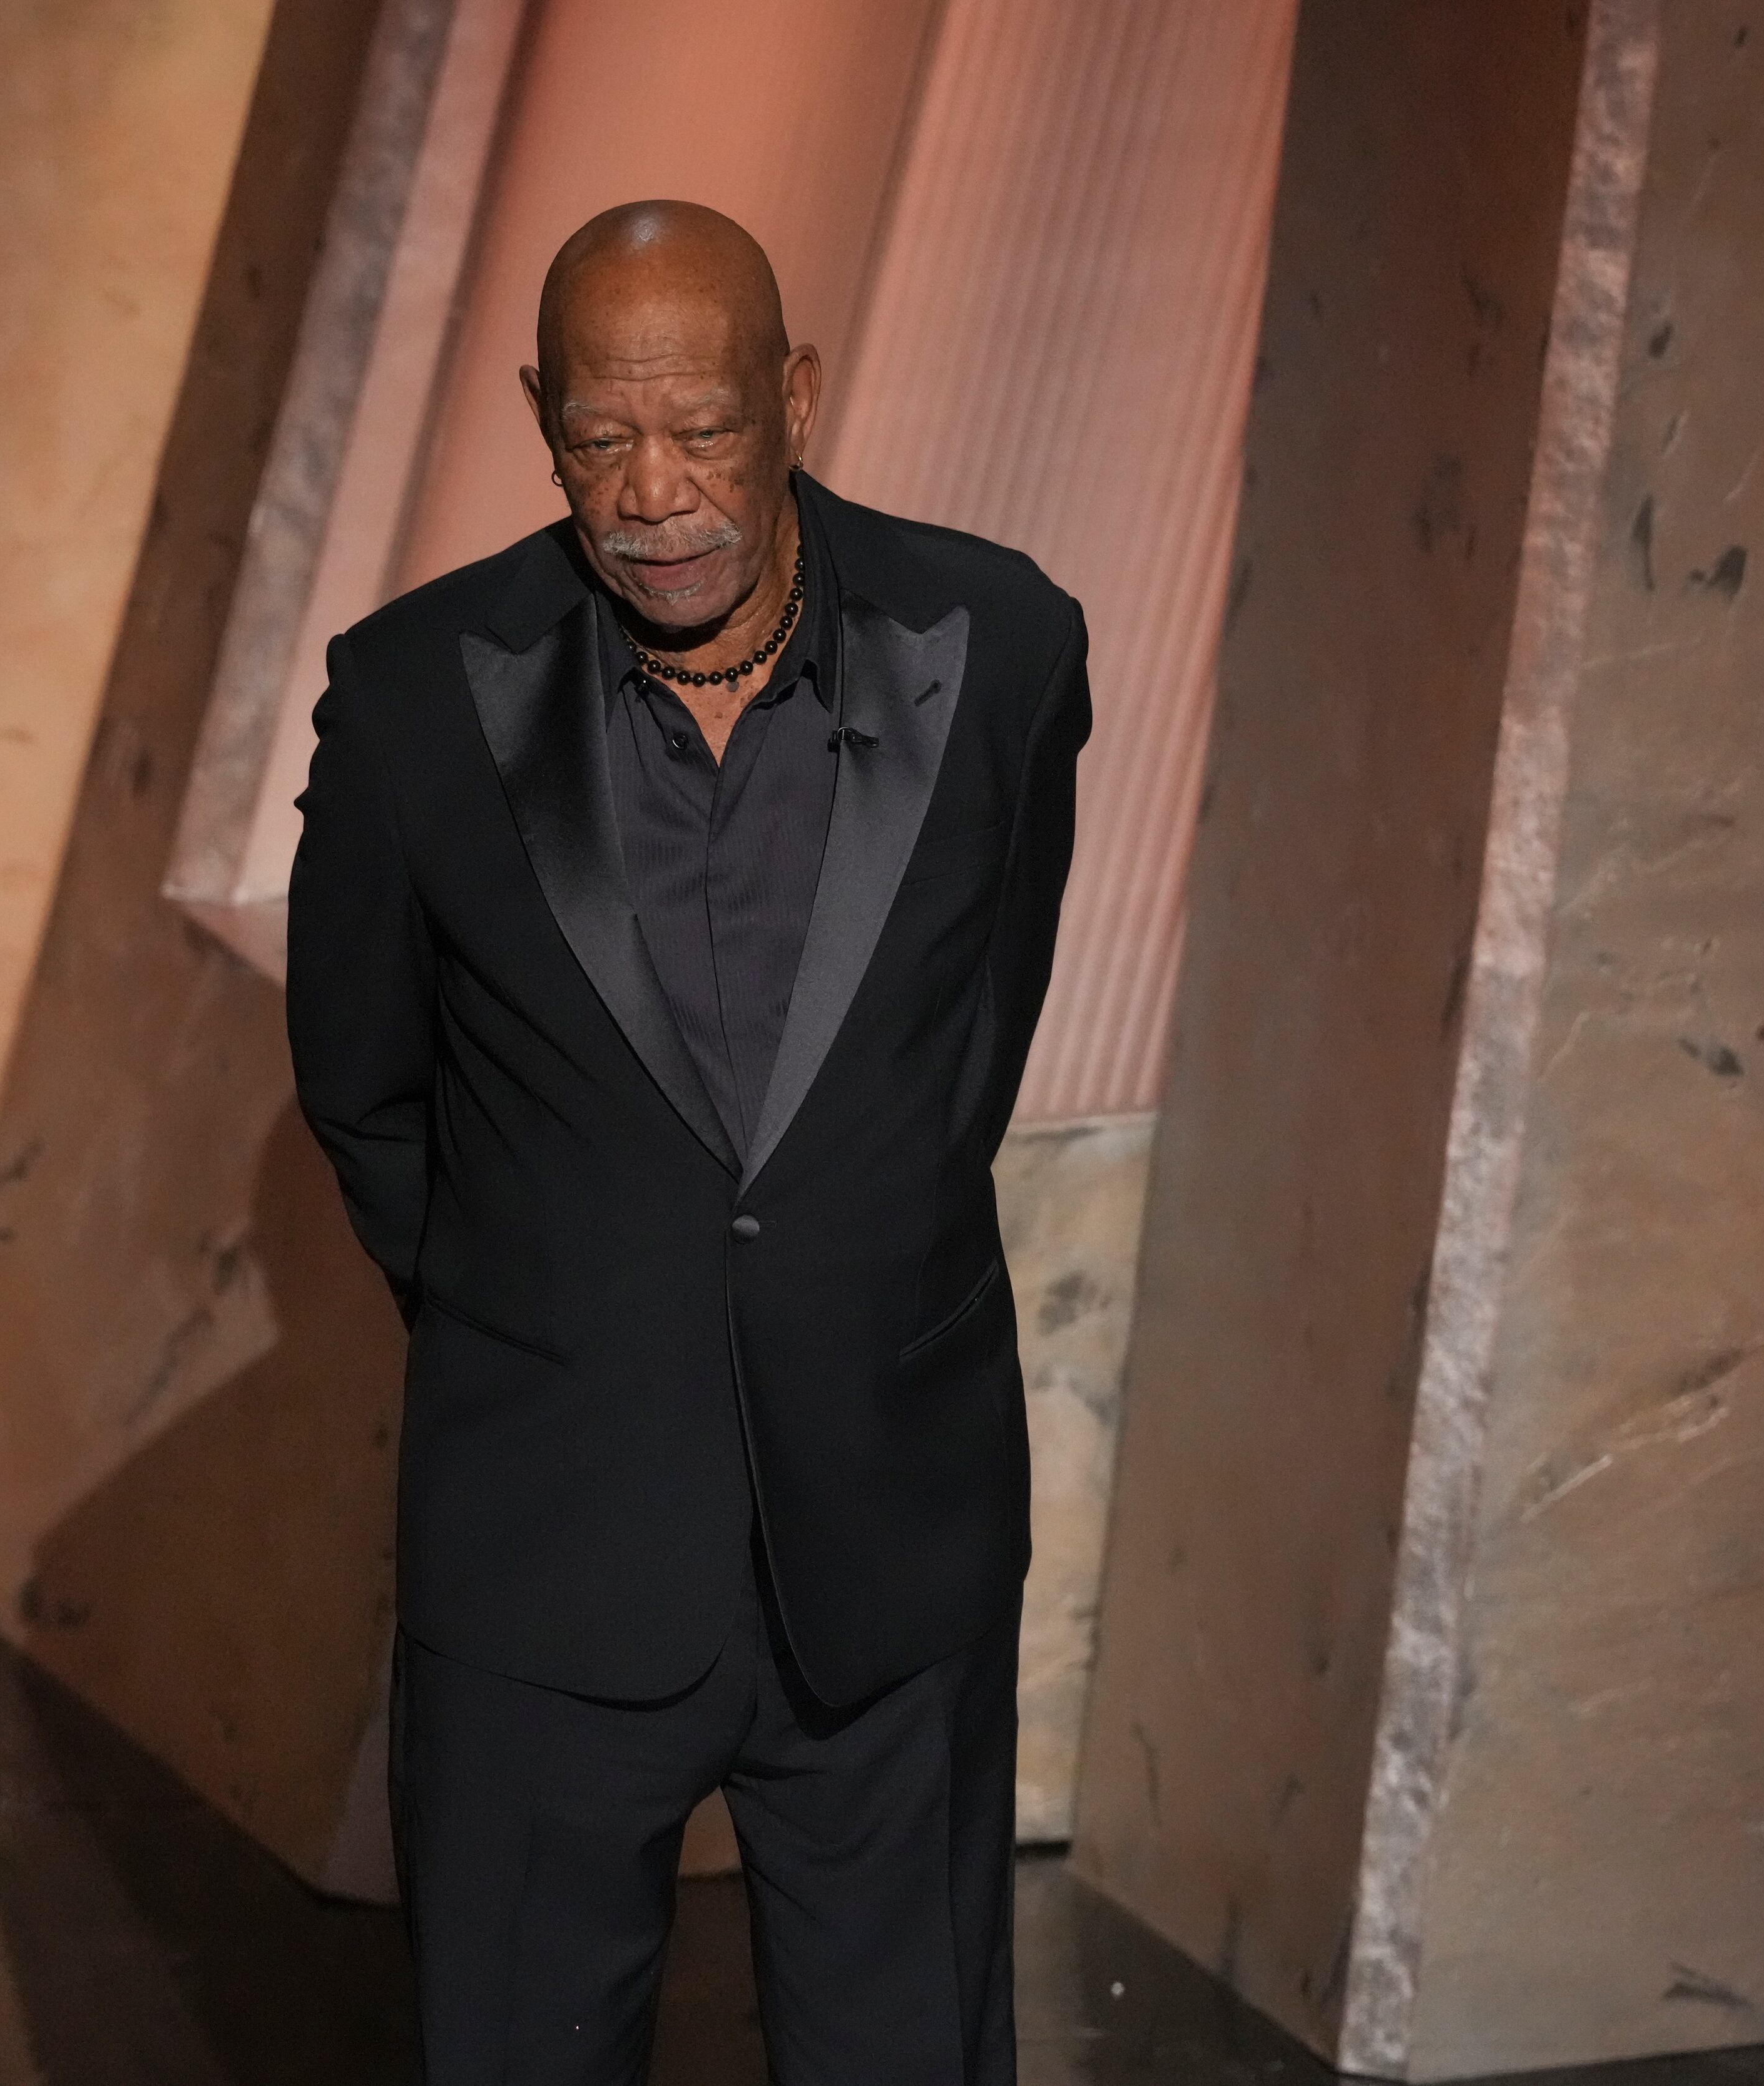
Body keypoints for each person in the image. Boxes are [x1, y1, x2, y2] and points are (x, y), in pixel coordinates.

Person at [286, 198, 1088, 2084]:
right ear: (539, 415)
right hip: (549, 1546)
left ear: (797, 396)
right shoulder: (412, 700)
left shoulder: (1002, 650)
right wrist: (549, 1310)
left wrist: (840, 1271)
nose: (651, 490)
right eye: (596, 437)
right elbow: (365, 1092)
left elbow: (975, 1035)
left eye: (702, 429)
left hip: (892, 1546)